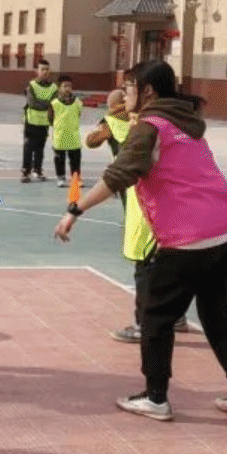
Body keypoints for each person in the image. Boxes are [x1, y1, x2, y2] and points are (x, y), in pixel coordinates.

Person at [55, 59, 227, 426]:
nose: (124, 95)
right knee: (219, 319)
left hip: (188, 239)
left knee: (155, 318)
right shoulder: (187, 123)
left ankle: (156, 397)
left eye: (129, 88)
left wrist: (75, 209)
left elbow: (118, 175)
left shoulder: (150, 126)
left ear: (147, 91)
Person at [85, 88, 189, 343]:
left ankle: (145, 324)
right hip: (170, 200)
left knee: (145, 264)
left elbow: (91, 141)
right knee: (166, 261)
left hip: (142, 197)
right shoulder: (169, 124)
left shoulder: (132, 125)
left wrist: (111, 119)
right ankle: (176, 315)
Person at [21, 59, 57, 182]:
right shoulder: (32, 85)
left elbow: (54, 103)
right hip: (31, 121)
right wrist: (47, 105)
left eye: (47, 69)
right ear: (37, 71)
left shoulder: (53, 87)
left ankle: (37, 170)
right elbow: (32, 103)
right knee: (28, 147)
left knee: (40, 148)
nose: (45, 72)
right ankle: (26, 171)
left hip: (44, 122)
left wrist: (47, 105)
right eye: (42, 69)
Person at [49, 75, 84, 187]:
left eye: (69, 86)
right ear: (59, 88)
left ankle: (76, 178)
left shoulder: (77, 102)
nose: (68, 88)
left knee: (75, 160)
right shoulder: (54, 103)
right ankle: (61, 177)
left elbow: (79, 114)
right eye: (65, 86)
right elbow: (50, 118)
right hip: (60, 136)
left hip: (73, 136)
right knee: (59, 159)